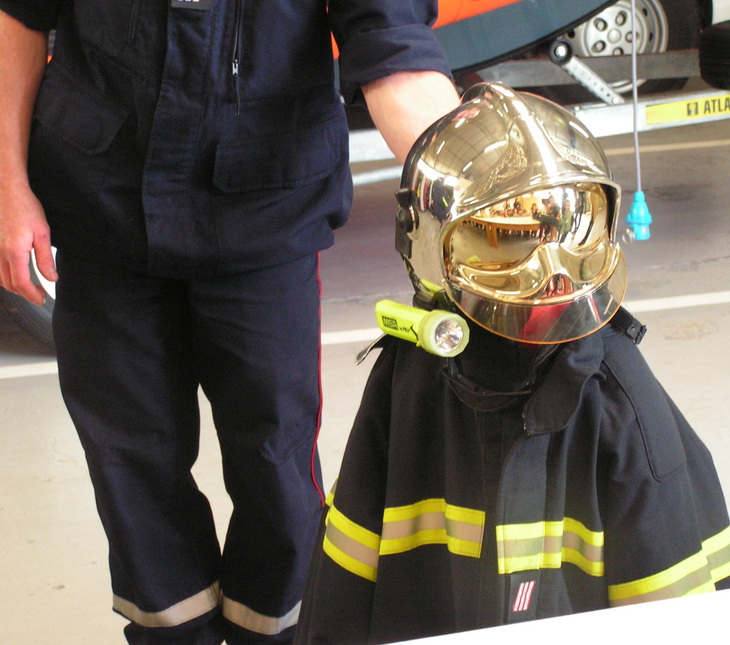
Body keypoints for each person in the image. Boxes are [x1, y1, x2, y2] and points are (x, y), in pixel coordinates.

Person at [0, 2, 460, 644]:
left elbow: (393, 45)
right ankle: (171, 635)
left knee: (274, 457)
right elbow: (19, 17)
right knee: (131, 461)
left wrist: (470, 192)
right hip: (99, 200)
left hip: (263, 210)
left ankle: (276, 634)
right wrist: (8, 184)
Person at [295, 84, 730, 644]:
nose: (554, 273)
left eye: (574, 223)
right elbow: (346, 572)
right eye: (511, 236)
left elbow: (676, 614)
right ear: (431, 243)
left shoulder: (616, 397)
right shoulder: (408, 377)